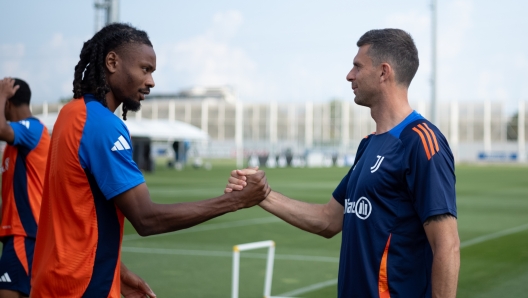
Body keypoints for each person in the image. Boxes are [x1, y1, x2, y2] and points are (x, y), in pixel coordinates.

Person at [31, 23, 270, 298]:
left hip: (54, 283)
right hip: (81, 288)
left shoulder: (70, 114)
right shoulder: (103, 125)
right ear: (112, 62)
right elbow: (146, 219)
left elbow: (72, 217)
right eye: (145, 69)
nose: (151, 82)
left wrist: (116, 272)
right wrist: (236, 200)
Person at [226, 29, 460, 298]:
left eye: (357, 67)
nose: (350, 75)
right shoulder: (369, 144)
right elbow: (328, 220)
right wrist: (263, 195)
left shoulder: (421, 142)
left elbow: (447, 245)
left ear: (384, 72)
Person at [0, 78, 50, 298]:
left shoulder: (32, 129)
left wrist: (2, 93)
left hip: (26, 232)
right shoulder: (15, 144)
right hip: (17, 233)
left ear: (8, 103)